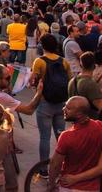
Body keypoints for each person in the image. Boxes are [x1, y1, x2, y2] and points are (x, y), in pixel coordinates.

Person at [48, 96, 102, 192]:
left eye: (68, 108)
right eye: (65, 106)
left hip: (68, 186)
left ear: (79, 114)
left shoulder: (66, 136)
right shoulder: (100, 128)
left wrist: (52, 184)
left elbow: (55, 164)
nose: (63, 109)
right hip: (92, 188)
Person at [30, 33, 70, 163]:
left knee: (45, 138)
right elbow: (70, 80)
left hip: (45, 103)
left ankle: (43, 169)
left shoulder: (39, 61)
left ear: (43, 46)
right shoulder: (64, 61)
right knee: (61, 136)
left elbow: (32, 81)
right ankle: (65, 163)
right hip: (61, 104)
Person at [68, 52, 102, 118]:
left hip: (76, 120)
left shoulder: (72, 81)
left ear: (81, 64)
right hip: (89, 120)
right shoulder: (90, 84)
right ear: (94, 65)